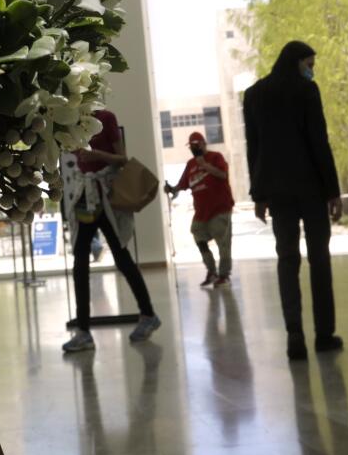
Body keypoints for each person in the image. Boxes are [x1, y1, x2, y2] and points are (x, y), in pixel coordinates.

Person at [242, 39, 343, 360]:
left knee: (287, 260)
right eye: (309, 65)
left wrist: (258, 194)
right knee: (319, 259)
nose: (311, 71)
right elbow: (319, 141)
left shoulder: (255, 94)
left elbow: (253, 149)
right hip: (311, 189)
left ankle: (294, 334)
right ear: (297, 62)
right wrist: (333, 191)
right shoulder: (306, 91)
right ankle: (324, 334)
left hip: (277, 191)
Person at [60, 107, 160, 353]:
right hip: (86, 196)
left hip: (107, 196)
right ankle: (83, 330)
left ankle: (147, 314)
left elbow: (122, 158)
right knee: (80, 260)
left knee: (121, 256)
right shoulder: (69, 121)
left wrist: (95, 155)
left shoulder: (106, 118)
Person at [165, 129, 235, 288]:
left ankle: (224, 275)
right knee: (198, 234)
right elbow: (182, 185)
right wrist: (171, 189)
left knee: (223, 242)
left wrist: (205, 165)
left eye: (196, 145)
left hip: (220, 208)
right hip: (201, 212)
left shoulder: (215, 157)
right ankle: (211, 271)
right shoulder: (190, 164)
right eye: (191, 146)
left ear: (204, 144)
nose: (194, 148)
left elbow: (223, 175)